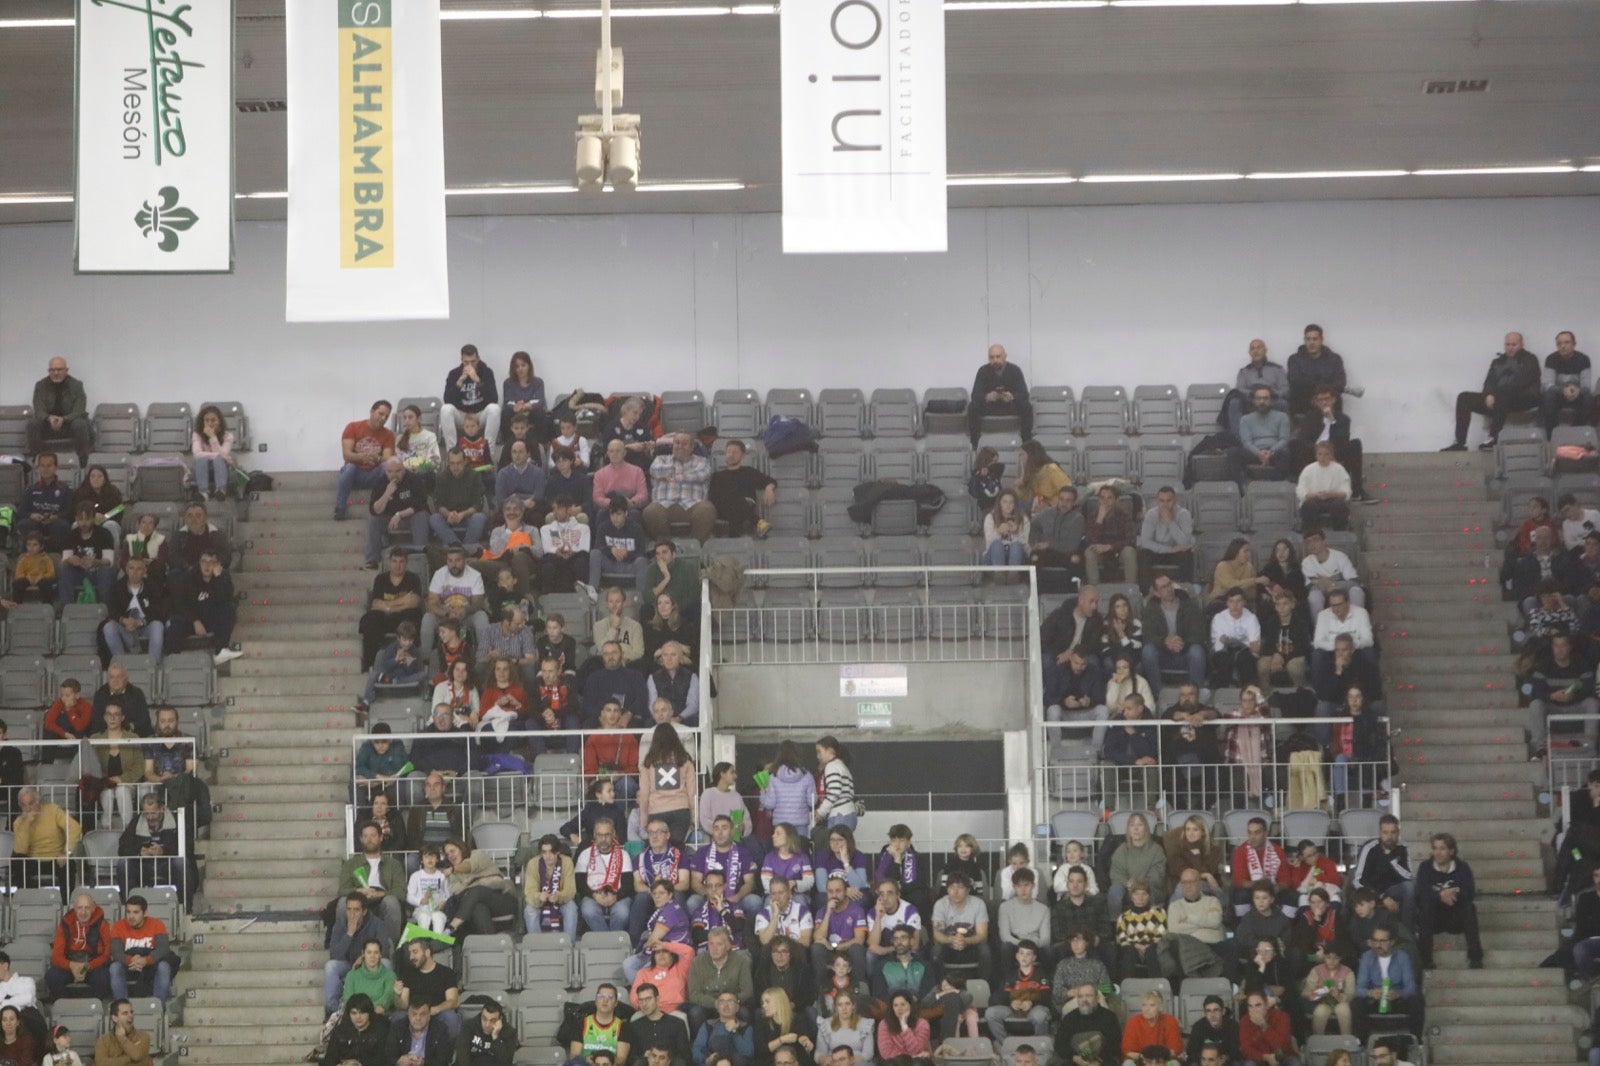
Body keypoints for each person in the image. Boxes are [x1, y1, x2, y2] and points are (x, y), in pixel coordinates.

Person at [1444, 331, 1545, 450]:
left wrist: (1494, 395)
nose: (1510, 348)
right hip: (1499, 400)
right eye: (1507, 345)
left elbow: (1519, 383)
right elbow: (1489, 382)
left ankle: (1493, 438)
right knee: (1464, 397)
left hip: (1524, 399)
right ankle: (1459, 443)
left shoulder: (1530, 359)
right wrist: (1488, 395)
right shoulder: (1497, 361)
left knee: (1504, 394)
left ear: (1521, 345)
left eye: (1514, 345)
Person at [1414, 832, 1483, 970]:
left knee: (1470, 908)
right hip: (1434, 917)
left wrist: (1454, 893)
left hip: (1455, 917)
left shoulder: (1462, 867)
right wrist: (1440, 895)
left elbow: (1470, 893)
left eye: (1442, 848)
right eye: (1435, 848)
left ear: (1451, 851)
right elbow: (1420, 894)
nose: (1438, 853)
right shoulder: (1425, 868)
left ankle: (1475, 958)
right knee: (1425, 909)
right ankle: (1426, 960)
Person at [1293, 384, 1372, 503]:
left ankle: (1357, 490)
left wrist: (1332, 420)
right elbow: (1304, 439)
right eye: (1321, 400)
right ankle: (1301, 488)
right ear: (1316, 402)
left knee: (1355, 444)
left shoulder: (1343, 419)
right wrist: (1318, 449)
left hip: (1335, 451)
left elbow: (1343, 440)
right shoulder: (1310, 417)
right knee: (1295, 445)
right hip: (1314, 451)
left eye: (1327, 399)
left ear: (1333, 400)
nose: (1324, 403)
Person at [168, 548, 241, 665]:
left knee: (228, 611)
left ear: (217, 564)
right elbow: (181, 604)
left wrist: (218, 579)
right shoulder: (189, 577)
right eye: (204, 561)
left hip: (212, 617)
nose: (207, 565)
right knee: (176, 622)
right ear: (199, 563)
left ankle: (221, 651)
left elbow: (223, 601)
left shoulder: (224, 577)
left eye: (211, 562)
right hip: (193, 619)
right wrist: (195, 621)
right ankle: (171, 658)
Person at [1140, 575, 1207, 698]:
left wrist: (1182, 642)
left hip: (1185, 653)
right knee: (1147, 651)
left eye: (1169, 584)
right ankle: (1158, 696)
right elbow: (1148, 636)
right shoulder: (1151, 609)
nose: (1169, 589)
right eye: (1164, 587)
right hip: (1163, 654)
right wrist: (1165, 642)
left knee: (1197, 651)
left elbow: (1199, 634)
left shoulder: (1189, 606)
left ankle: (1196, 695)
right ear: (1156, 593)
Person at [644, 433, 717, 544]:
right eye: (677, 443)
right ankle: (666, 546)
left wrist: (671, 476)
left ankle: (694, 547)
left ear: (692, 447)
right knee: (650, 511)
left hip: (693, 504)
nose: (680, 446)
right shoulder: (660, 459)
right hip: (664, 504)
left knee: (707, 510)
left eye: (684, 444)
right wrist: (686, 474)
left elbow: (701, 475)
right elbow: (655, 471)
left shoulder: (702, 461)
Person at [1352, 927, 1419, 1040]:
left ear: (1392, 942)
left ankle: (1415, 1040)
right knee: (1357, 1003)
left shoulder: (1402, 957)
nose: (1378, 945)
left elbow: (1411, 987)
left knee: (1417, 1000)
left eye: (1382, 941)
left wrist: (1399, 994)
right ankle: (1361, 1043)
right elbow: (1359, 988)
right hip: (1375, 1000)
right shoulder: (1367, 957)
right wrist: (1371, 993)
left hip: (1396, 1000)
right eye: (1375, 941)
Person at [45, 889, 112, 1001]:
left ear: (93, 908)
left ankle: (91, 1006)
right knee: (51, 976)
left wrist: (86, 967)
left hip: (93, 964)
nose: (83, 912)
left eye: (87, 908)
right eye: (80, 908)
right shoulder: (65, 924)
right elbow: (56, 956)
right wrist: (72, 966)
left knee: (104, 978)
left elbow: (107, 954)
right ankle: (67, 1005)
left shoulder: (103, 924)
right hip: (70, 963)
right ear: (75, 909)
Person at [335, 400, 396, 521]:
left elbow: (388, 458)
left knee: (387, 466)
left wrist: (377, 458)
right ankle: (340, 508)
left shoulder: (388, 434)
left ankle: (385, 509)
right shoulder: (353, 427)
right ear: (372, 412)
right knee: (350, 467)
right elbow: (346, 455)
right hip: (354, 475)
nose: (383, 418)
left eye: (386, 416)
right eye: (381, 414)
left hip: (374, 475)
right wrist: (361, 457)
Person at [108, 894, 174, 1004]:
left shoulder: (156, 924)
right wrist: (132, 960)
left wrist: (145, 960)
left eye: (136, 912)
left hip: (151, 965)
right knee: (115, 967)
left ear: (145, 913)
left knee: (164, 967)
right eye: (128, 912)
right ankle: (121, 1007)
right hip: (128, 965)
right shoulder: (118, 926)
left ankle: (158, 1007)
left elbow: (163, 948)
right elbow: (116, 952)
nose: (131, 916)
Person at [12, 786, 80, 889]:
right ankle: (27, 900)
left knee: (69, 864)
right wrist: (26, 823)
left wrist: (67, 852)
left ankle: (66, 902)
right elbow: (21, 850)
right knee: (16, 860)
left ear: (37, 801)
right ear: (19, 806)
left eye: (31, 803)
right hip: (33, 860)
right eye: (24, 805)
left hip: (56, 858)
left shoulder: (53, 810)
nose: (28, 808)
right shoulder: (18, 822)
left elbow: (74, 827)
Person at [27, 357, 91, 464]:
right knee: (32, 424)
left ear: (66, 370)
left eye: (59, 369)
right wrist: (49, 418)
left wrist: (64, 419)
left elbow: (80, 409)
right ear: (49, 371)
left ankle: (83, 461)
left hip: (70, 425)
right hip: (48, 426)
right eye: (52, 370)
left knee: (80, 424)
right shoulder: (40, 385)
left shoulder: (77, 385)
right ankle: (37, 460)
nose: (56, 373)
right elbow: (38, 409)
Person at [986, 938, 1051, 1042]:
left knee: (1040, 1015)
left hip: (1033, 1009)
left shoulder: (1041, 974)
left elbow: (1047, 996)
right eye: (1021, 953)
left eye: (1028, 954)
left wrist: (1031, 1002)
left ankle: (1039, 1044)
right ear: (1017, 956)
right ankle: (1006, 1043)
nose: (1024, 957)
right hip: (1013, 1010)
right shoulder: (1010, 975)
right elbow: (997, 997)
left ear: (1034, 958)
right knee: (991, 1013)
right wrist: (1011, 1002)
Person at [103, 555, 167, 662]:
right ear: (126, 570)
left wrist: (140, 622)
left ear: (144, 571)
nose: (134, 572)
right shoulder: (117, 587)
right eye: (131, 568)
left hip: (145, 626)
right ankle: (121, 662)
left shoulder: (153, 587)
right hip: (125, 626)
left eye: (139, 569)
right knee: (108, 627)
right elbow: (112, 611)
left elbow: (159, 612)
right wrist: (124, 620)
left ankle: (153, 664)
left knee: (158, 626)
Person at [89, 702, 143, 830]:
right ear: (104, 717)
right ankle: (106, 826)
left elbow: (140, 765)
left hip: (127, 783)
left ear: (122, 717)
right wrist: (106, 781)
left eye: (116, 714)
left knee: (121, 790)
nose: (112, 718)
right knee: (107, 793)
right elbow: (91, 765)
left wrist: (121, 779)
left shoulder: (133, 738)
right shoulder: (95, 739)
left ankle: (128, 828)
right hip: (103, 784)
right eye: (109, 714)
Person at [967, 343, 1032, 446]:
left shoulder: (1015, 370)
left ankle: (1027, 443)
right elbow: (975, 395)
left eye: (998, 356)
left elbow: (1024, 394)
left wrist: (1012, 397)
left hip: (1009, 406)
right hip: (990, 407)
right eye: (992, 357)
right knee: (972, 407)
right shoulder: (983, 371)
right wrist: (987, 397)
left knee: (1027, 406)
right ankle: (975, 444)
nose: (995, 360)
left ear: (1005, 356)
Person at [710, 440, 777, 538]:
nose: (731, 455)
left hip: (745, 508)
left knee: (736, 510)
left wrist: (769, 488)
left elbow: (770, 481)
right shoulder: (717, 476)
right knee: (734, 499)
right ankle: (758, 522)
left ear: (743, 455)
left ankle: (734, 541)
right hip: (723, 509)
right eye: (728, 452)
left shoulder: (749, 472)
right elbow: (713, 498)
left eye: (735, 452)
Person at [440, 344, 501, 449]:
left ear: (478, 358)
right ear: (461, 360)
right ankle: (452, 452)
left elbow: (493, 399)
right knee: (445, 409)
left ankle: (488, 452)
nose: (470, 365)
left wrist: (477, 380)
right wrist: (459, 382)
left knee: (495, 409)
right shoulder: (454, 374)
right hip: (462, 414)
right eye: (466, 362)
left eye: (473, 361)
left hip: (479, 414)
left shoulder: (487, 372)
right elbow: (447, 400)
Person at [56, 503, 116, 607]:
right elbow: (64, 561)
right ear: (75, 519)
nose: (83, 523)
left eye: (87, 519)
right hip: (77, 573)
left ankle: (105, 606)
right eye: (80, 519)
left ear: (93, 518)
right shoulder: (71, 535)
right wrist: (70, 560)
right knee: (63, 569)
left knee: (107, 571)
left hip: (97, 573)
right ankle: (66, 606)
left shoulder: (104, 534)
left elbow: (109, 561)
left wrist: (96, 562)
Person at [1285, 324, 1346, 419]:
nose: (1311, 342)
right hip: (1304, 402)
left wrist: (1320, 392)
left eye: (1315, 339)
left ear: (1321, 340)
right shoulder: (1294, 359)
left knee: (1334, 399)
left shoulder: (1334, 359)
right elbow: (1295, 382)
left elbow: (1340, 384)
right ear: (1304, 340)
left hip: (1328, 402)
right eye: (1308, 339)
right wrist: (1324, 384)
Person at [1054, 983, 1122, 1066]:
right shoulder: (1069, 1018)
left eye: (1088, 996)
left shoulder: (1109, 1017)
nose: (1084, 1000)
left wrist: (1098, 1061)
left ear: (1097, 998)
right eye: (1080, 996)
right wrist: (1074, 1057)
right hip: (1075, 1061)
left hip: (1102, 1061)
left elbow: (1114, 1044)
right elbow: (1060, 1044)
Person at [1029, 485, 1086, 582]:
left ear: (1074, 502)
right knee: (1034, 556)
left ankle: (1072, 590)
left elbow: (1071, 547)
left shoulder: (1078, 519)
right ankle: (1036, 589)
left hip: (1066, 553)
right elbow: (1034, 525)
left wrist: (1049, 544)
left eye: (1068, 500)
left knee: (1075, 559)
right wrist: (1035, 542)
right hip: (1047, 553)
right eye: (1061, 499)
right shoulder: (1047, 513)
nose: (1064, 503)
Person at [1300, 528, 1363, 616]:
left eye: (1315, 540)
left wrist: (1333, 585)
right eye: (1308, 542)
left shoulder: (1340, 556)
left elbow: (1354, 582)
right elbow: (1311, 587)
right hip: (1321, 592)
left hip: (1343, 591)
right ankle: (1318, 627)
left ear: (1324, 541)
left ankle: (1357, 626)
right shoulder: (1307, 562)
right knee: (1314, 596)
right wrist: (1329, 584)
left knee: (1356, 591)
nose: (1312, 544)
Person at [1085, 485, 1137, 585]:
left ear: (1116, 500)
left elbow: (1131, 540)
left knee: (1129, 551)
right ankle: (1094, 588)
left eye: (1109, 498)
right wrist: (1099, 520)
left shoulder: (1124, 516)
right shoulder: (1093, 516)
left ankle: (1131, 588)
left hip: (1119, 551)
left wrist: (1110, 547)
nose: (1105, 502)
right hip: (1100, 552)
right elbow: (1090, 540)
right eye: (1102, 498)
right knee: (1089, 552)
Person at [1236, 385, 1291, 480]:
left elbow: (1284, 439)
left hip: (1275, 452)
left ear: (1272, 401)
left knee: (1286, 454)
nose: (1262, 402)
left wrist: (1271, 452)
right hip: (1253, 452)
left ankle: (1276, 486)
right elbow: (1246, 442)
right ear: (1254, 401)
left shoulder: (1283, 417)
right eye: (1258, 398)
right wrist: (1259, 453)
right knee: (1233, 453)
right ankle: (1240, 490)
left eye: (1265, 398)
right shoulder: (1245, 419)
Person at [1209, 588, 1261, 688]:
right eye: (1231, 601)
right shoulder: (1219, 617)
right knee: (1224, 660)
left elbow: (1254, 646)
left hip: (1245, 652)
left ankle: (1249, 692)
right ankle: (1222, 694)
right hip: (1223, 652)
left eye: (1238, 601)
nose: (1235, 605)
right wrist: (1241, 642)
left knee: (1245, 659)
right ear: (1227, 603)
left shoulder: (1251, 618)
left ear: (1244, 603)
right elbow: (1222, 641)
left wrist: (1236, 642)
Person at [1542, 330, 1591, 434]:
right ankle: (1552, 435)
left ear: (1574, 344)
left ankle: (1577, 431)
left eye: (1566, 342)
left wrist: (1577, 391)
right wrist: (1563, 390)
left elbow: (1586, 386)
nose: (1563, 346)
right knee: (1547, 395)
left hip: (1577, 394)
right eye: (1559, 343)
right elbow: (1548, 385)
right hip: (1558, 395)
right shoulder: (1551, 359)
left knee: (1588, 396)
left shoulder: (1584, 359)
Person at [1301, 941, 1354, 1037]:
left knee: (1344, 1010)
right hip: (1322, 1002)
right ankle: (1317, 1041)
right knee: (1319, 1012)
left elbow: (1351, 994)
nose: (1332, 961)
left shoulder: (1347, 972)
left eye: (1335, 958)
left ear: (1340, 958)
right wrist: (1319, 991)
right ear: (1324, 957)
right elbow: (1306, 992)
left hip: (1341, 1002)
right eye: (1328, 958)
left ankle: (1346, 1040)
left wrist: (1339, 995)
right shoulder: (1316, 970)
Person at [1295, 442, 1351, 530]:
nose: (1323, 457)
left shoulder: (1339, 469)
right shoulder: (1308, 469)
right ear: (1316, 455)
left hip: (1333, 500)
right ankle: (1311, 533)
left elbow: (1346, 492)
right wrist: (1315, 495)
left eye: (1326, 454)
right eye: (1320, 454)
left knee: (1340, 506)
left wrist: (1332, 494)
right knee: (1308, 505)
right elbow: (1301, 491)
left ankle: (1339, 532)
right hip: (1314, 500)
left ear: (1331, 455)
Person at [1236, 991, 1300, 1066]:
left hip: (1283, 1057)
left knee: (1295, 1063)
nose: (1254, 1010)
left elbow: (1282, 1046)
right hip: (1259, 1059)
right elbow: (1246, 1049)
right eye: (1250, 1006)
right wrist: (1266, 1057)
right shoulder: (1245, 1021)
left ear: (1266, 1005)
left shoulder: (1282, 1017)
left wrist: (1264, 1026)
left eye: (1258, 1005)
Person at [1120, 990, 1182, 1066]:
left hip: (1163, 1061)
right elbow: (1128, 1051)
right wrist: (1146, 1059)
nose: (1147, 1009)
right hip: (1140, 1060)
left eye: (1152, 1005)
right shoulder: (1133, 1022)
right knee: (1127, 1064)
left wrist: (1157, 1061)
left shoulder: (1170, 1021)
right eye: (1144, 1005)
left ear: (1160, 1007)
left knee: (1175, 1064)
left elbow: (1174, 1050)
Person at [190, 404, 237, 501]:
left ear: (219, 421)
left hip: (221, 470)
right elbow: (197, 454)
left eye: (213, 420)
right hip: (201, 470)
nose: (209, 423)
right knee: (201, 459)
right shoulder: (196, 434)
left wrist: (212, 437)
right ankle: (203, 492)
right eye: (206, 420)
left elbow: (221, 457)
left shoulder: (228, 436)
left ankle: (220, 491)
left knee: (218, 460)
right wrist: (224, 457)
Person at [391, 999, 453, 1066]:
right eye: (414, 1014)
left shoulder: (441, 1029)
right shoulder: (398, 1027)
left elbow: (444, 1060)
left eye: (422, 1014)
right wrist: (398, 1061)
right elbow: (388, 1056)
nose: (418, 1018)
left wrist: (424, 1063)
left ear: (429, 1015)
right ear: (408, 1014)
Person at [873, 992, 930, 1061]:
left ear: (910, 1006)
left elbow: (916, 1050)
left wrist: (904, 1027)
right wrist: (912, 1057)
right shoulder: (884, 1024)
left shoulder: (922, 1024)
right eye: (895, 1005)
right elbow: (887, 1053)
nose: (899, 1008)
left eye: (903, 1004)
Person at [94, 1000, 153, 1066]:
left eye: (131, 1012)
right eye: (125, 1013)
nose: (130, 1015)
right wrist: (130, 1058)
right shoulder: (103, 1040)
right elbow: (101, 1064)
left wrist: (121, 1037)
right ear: (115, 1018)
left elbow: (137, 1056)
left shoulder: (143, 1036)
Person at [1186, 996, 1239, 1065]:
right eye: (1208, 1011)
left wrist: (1226, 1058)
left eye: (1216, 1010)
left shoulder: (1233, 1026)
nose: (1212, 1015)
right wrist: (1206, 1058)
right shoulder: (1198, 1027)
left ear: (1223, 1011)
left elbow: (1237, 1051)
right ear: (1205, 1013)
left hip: (1227, 1062)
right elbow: (1191, 1052)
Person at [984, 491, 1031, 568]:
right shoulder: (990, 518)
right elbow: (989, 544)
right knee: (997, 545)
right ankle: (999, 575)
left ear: (1015, 505)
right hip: (994, 557)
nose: (1008, 505)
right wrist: (998, 532)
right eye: (1005, 502)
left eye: (1011, 502)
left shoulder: (1023, 519)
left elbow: (1025, 545)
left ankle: (1013, 576)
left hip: (1018, 556)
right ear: (999, 503)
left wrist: (1016, 533)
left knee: (1016, 546)